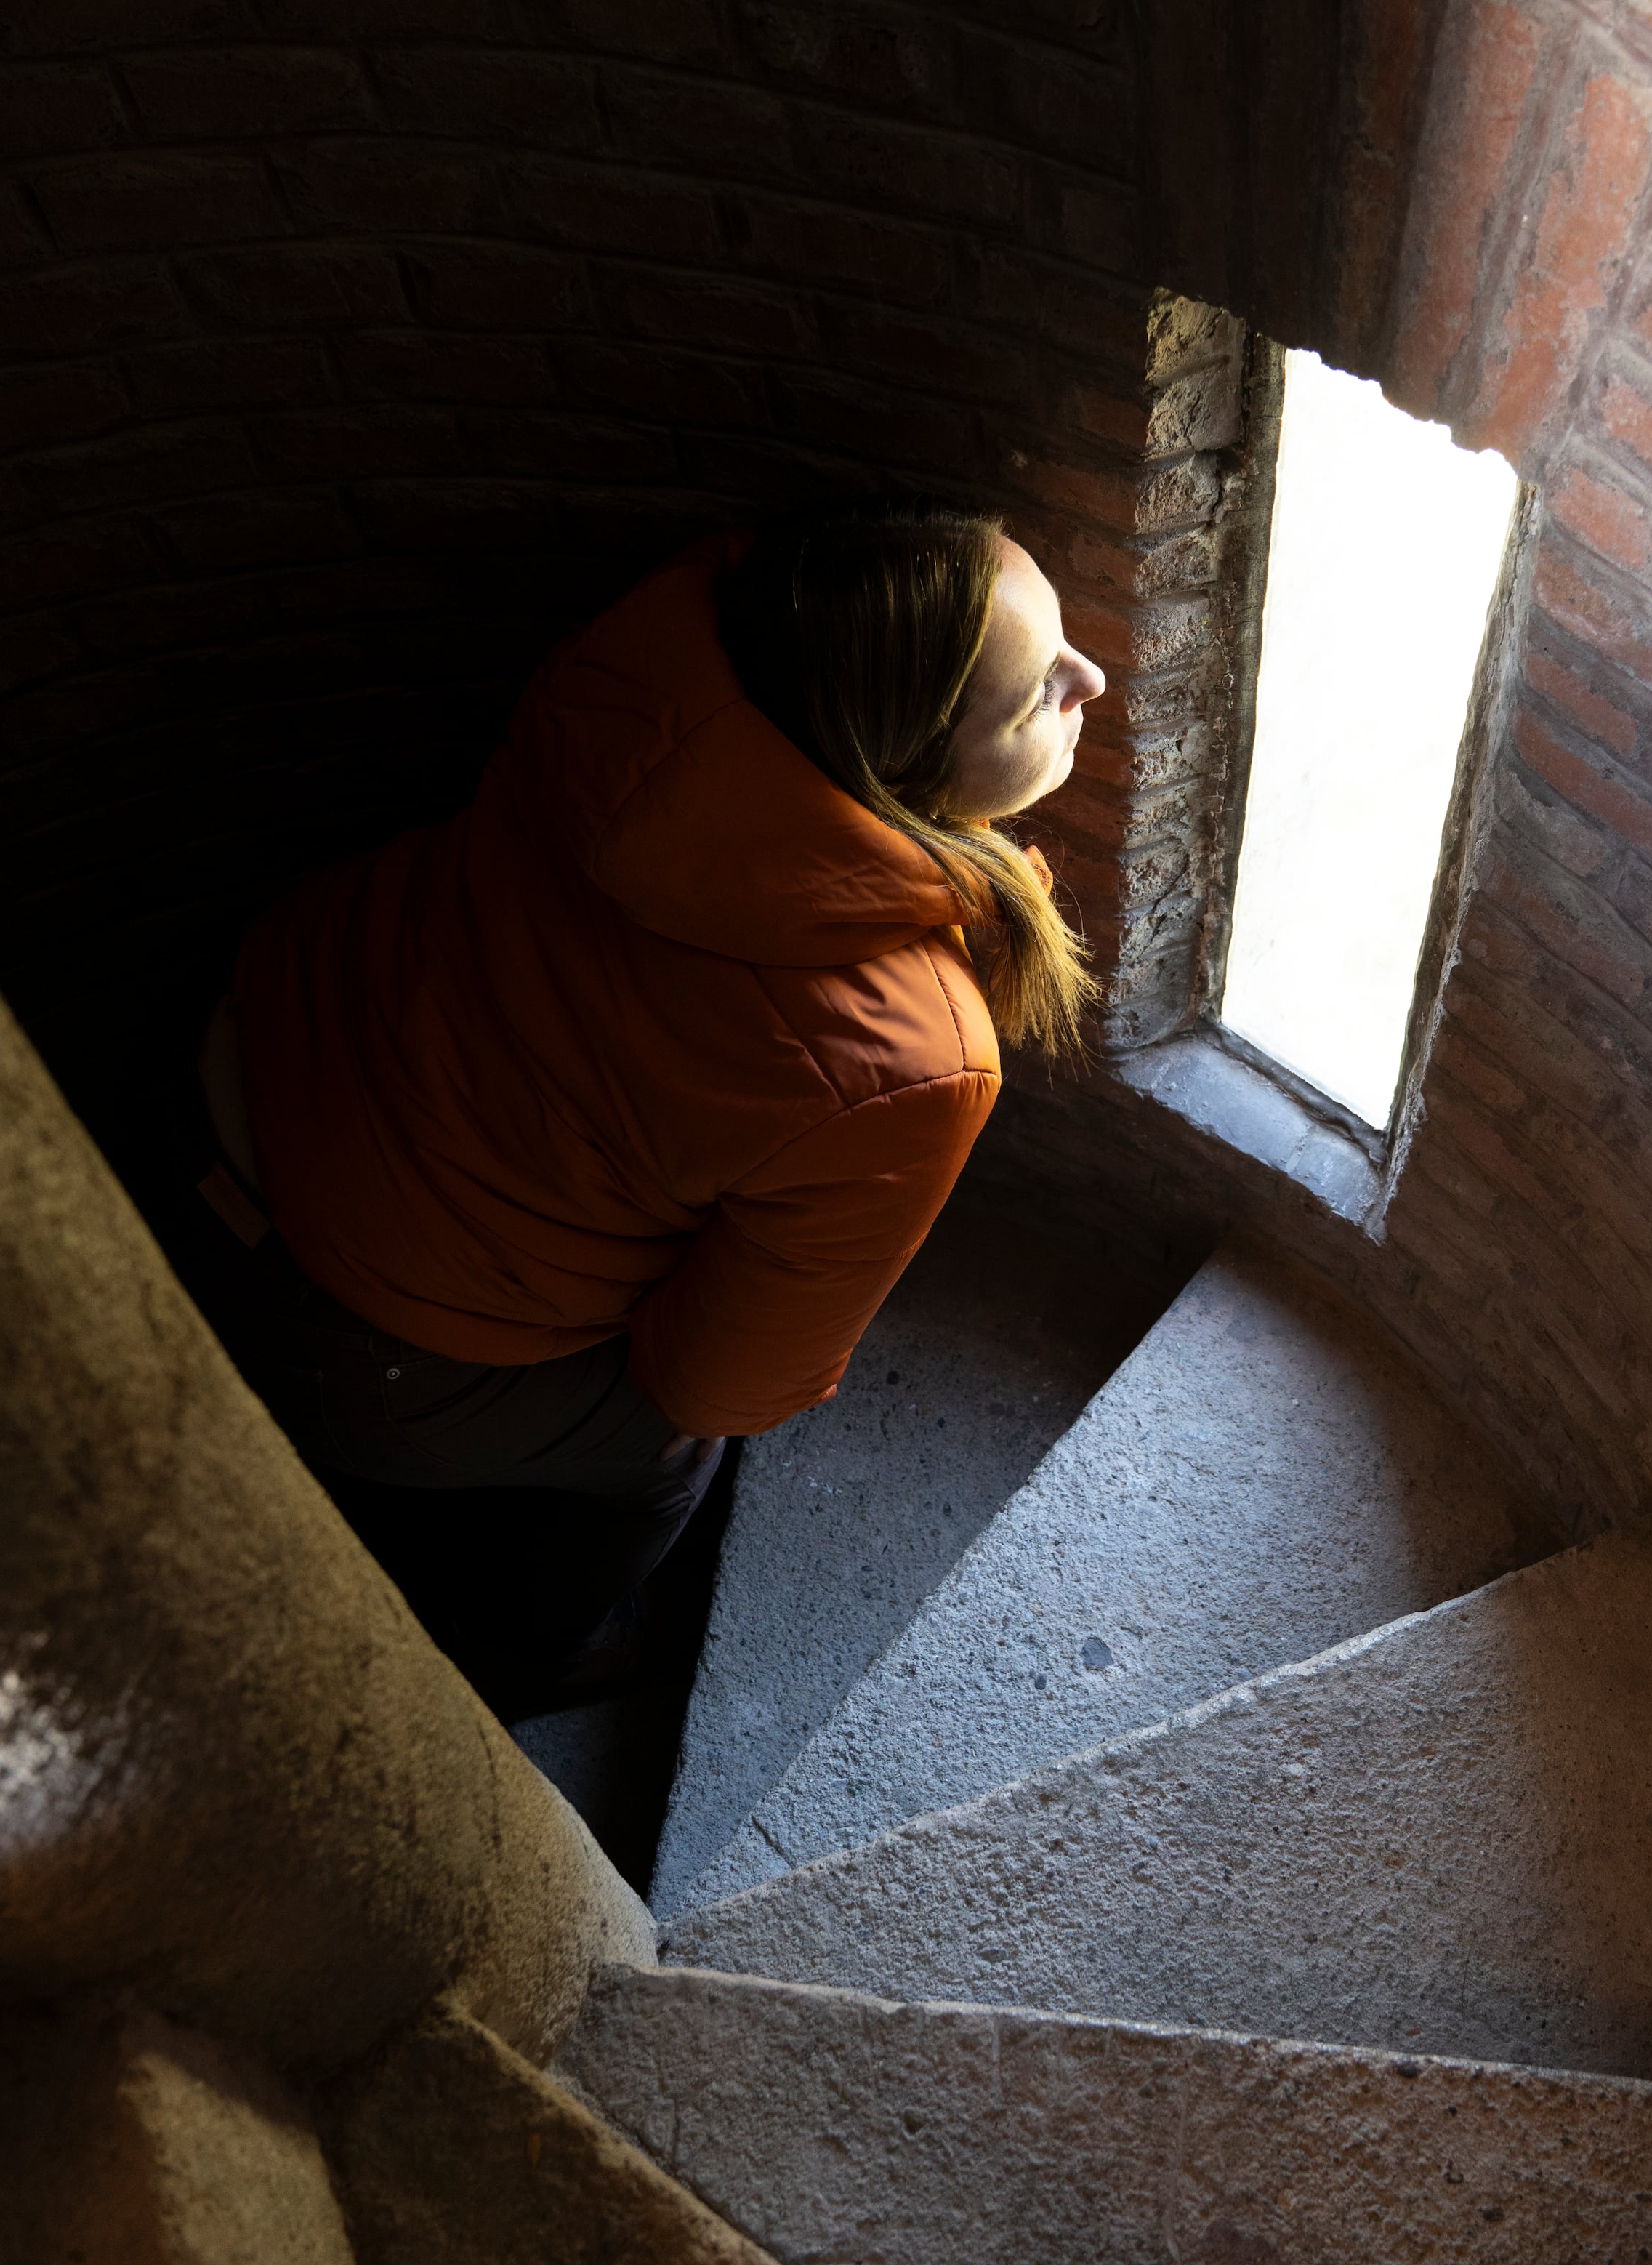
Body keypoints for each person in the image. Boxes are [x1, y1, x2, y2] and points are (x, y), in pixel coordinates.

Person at [153, 498, 1108, 1718]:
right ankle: (527, 1653)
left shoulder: (645, 668)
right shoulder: (910, 1050)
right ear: (909, 769)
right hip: (346, 1335)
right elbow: (718, 1381)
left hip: (214, 1050)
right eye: (1036, 693)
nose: (1090, 679)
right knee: (676, 1456)